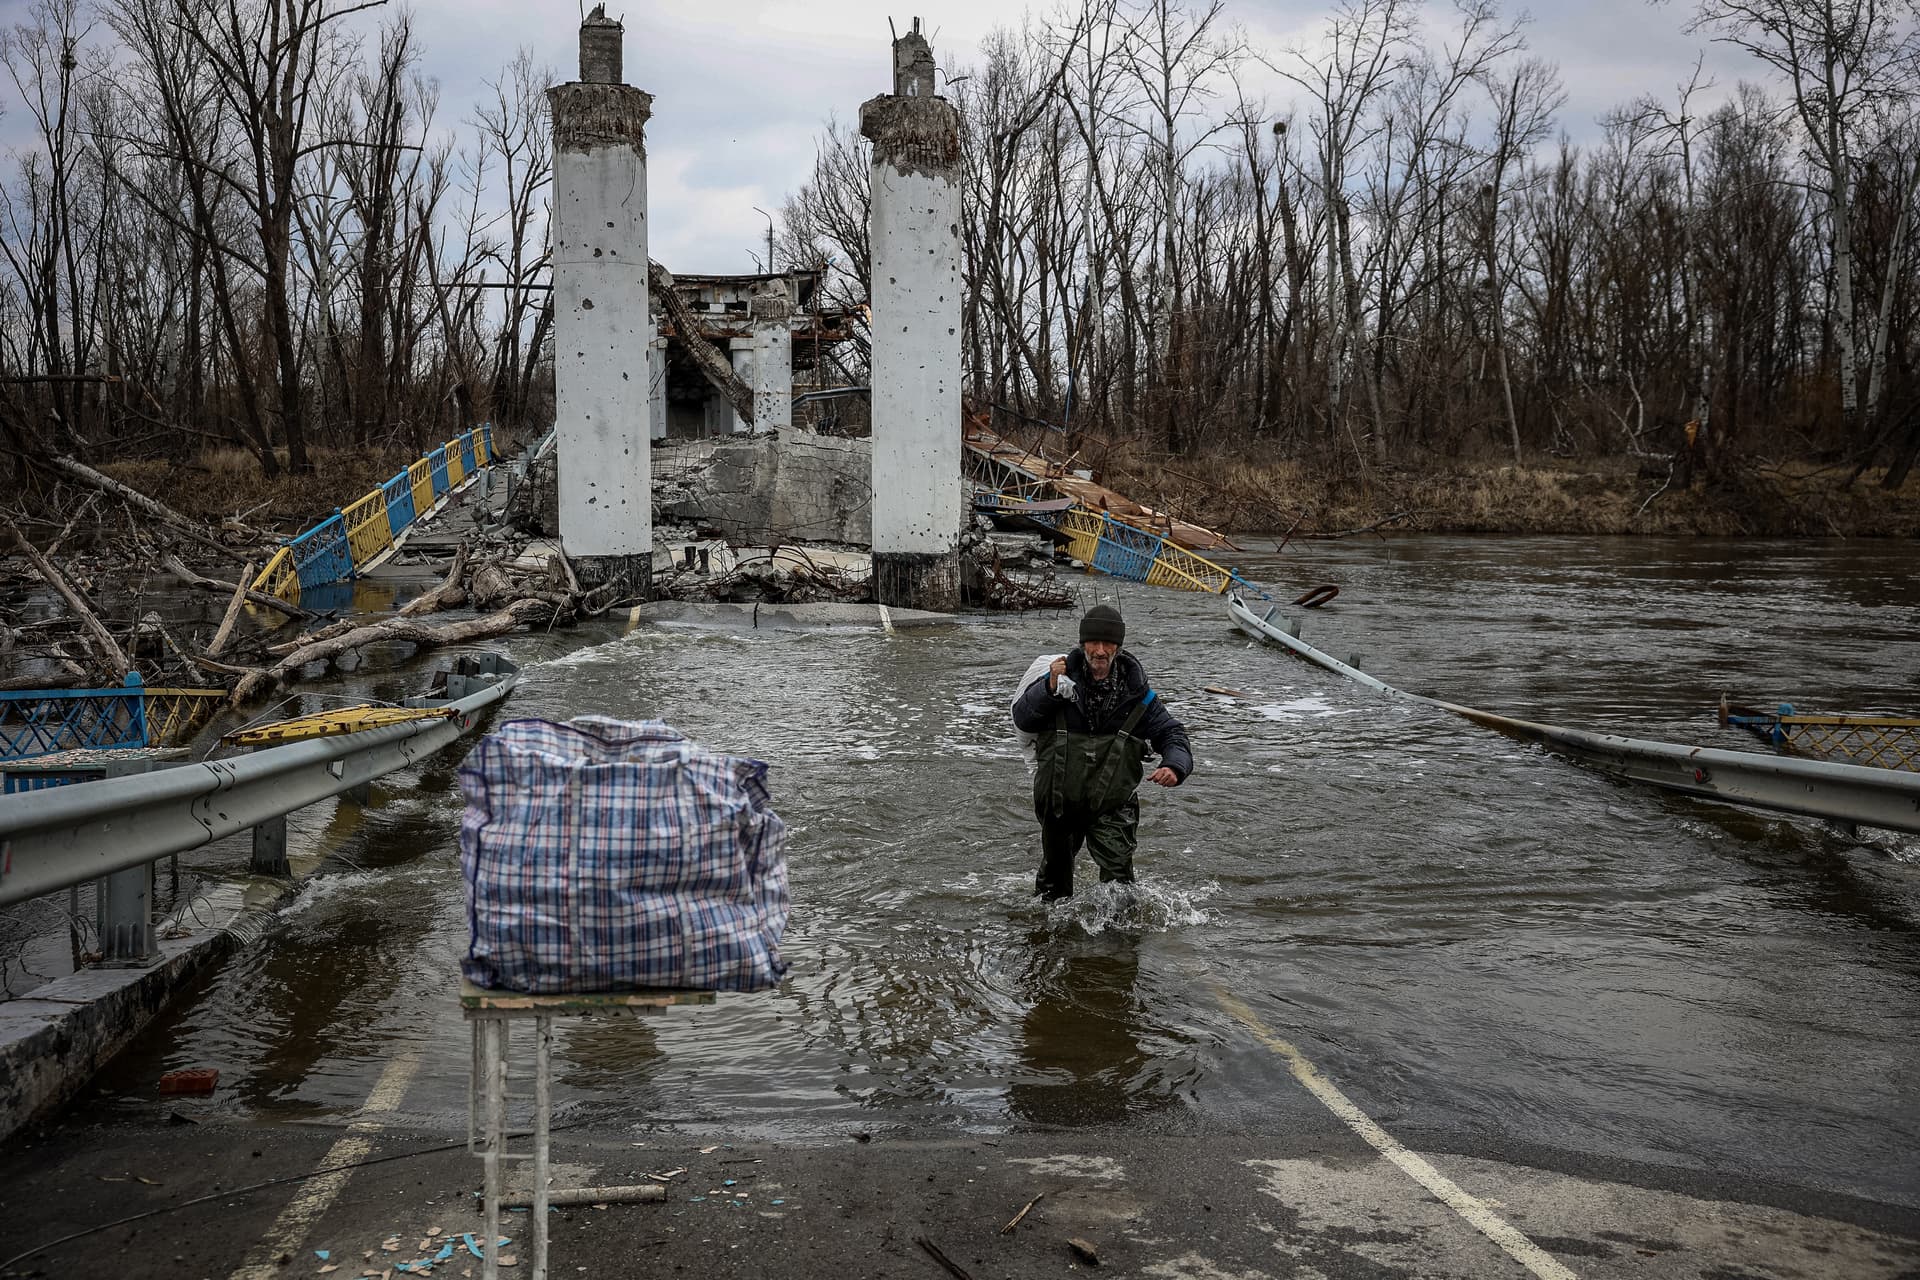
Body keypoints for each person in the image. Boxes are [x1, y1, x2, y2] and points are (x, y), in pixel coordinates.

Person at [1011, 604, 1192, 900]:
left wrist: (1175, 765)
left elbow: (1171, 732)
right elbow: (1023, 718)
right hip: (1059, 802)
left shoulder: (1135, 694)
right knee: (1053, 890)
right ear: (1083, 645)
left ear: (1118, 647)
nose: (1100, 650)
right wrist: (1049, 686)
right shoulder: (1059, 682)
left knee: (1120, 887)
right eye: (1093, 642)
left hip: (1112, 805)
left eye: (1107, 643)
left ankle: (1118, 945)